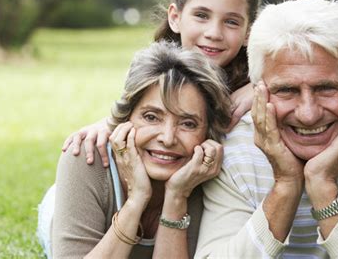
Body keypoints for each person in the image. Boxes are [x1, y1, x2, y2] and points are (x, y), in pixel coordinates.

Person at [195, 0, 338, 258]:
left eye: (326, 88)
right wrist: (286, 185)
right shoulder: (234, 147)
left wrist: (323, 187)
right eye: (286, 90)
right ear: (257, 92)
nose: (308, 114)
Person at [37, 41, 232, 258]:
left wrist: (177, 195)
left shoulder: (208, 175)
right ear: (127, 117)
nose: (167, 139)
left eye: (188, 123)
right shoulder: (86, 156)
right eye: (151, 117)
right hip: (66, 203)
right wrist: (136, 198)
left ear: (207, 132)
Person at [61, 0, 260, 166]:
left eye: (231, 22)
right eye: (201, 15)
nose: (214, 33)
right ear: (175, 17)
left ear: (249, 33)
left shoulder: (255, 85)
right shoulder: (154, 73)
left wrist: (263, 85)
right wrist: (107, 125)